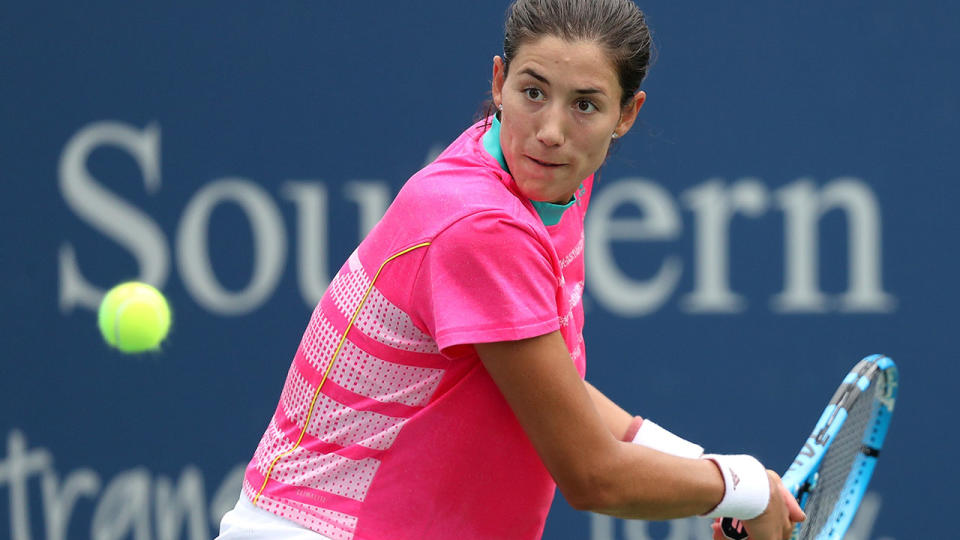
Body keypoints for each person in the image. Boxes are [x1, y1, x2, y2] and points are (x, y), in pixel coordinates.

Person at [217, 0, 805, 539]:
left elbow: (554, 389)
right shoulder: (482, 226)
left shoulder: (546, 183)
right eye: (532, 92)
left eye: (584, 105)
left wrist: (715, 478)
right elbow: (592, 475)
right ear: (499, 82)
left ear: (625, 114)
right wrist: (743, 486)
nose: (551, 131)